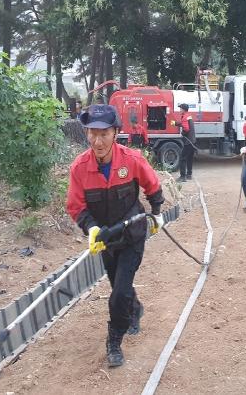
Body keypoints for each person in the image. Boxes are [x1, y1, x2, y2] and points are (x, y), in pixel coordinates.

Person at [66, 104, 165, 368]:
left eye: (104, 134)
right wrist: (91, 228)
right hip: (106, 239)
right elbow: (76, 206)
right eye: (92, 133)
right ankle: (135, 309)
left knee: (119, 293)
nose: (97, 141)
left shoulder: (131, 160)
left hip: (132, 235)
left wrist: (156, 212)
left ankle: (114, 341)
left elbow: (152, 185)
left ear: (116, 133)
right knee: (118, 285)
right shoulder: (80, 168)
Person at [172, 103, 196, 182]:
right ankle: (189, 175)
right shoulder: (188, 116)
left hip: (188, 142)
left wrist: (183, 133)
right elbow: (183, 124)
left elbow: (186, 128)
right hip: (192, 141)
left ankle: (182, 177)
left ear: (183, 109)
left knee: (182, 158)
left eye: (180, 108)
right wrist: (174, 123)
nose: (179, 110)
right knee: (189, 158)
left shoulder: (185, 117)